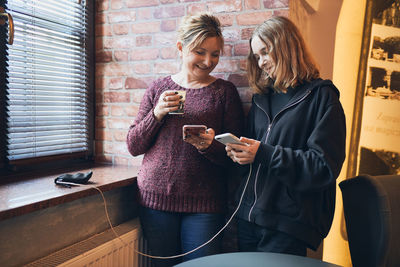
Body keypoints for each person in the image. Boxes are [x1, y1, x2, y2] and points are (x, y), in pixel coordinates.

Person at [126, 13, 244, 267]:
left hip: (205, 205)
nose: (208, 61)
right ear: (181, 48)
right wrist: (156, 114)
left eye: (214, 54)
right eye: (200, 52)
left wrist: (209, 146)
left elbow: (237, 156)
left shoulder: (224, 92)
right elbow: (134, 145)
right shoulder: (158, 89)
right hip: (155, 201)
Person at [225, 16, 346, 256]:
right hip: (248, 220)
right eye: (256, 56)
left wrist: (263, 153)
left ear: (287, 46)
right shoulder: (261, 99)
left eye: (265, 52)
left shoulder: (322, 98)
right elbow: (254, 158)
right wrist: (237, 152)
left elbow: (323, 167)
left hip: (287, 226)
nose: (260, 63)